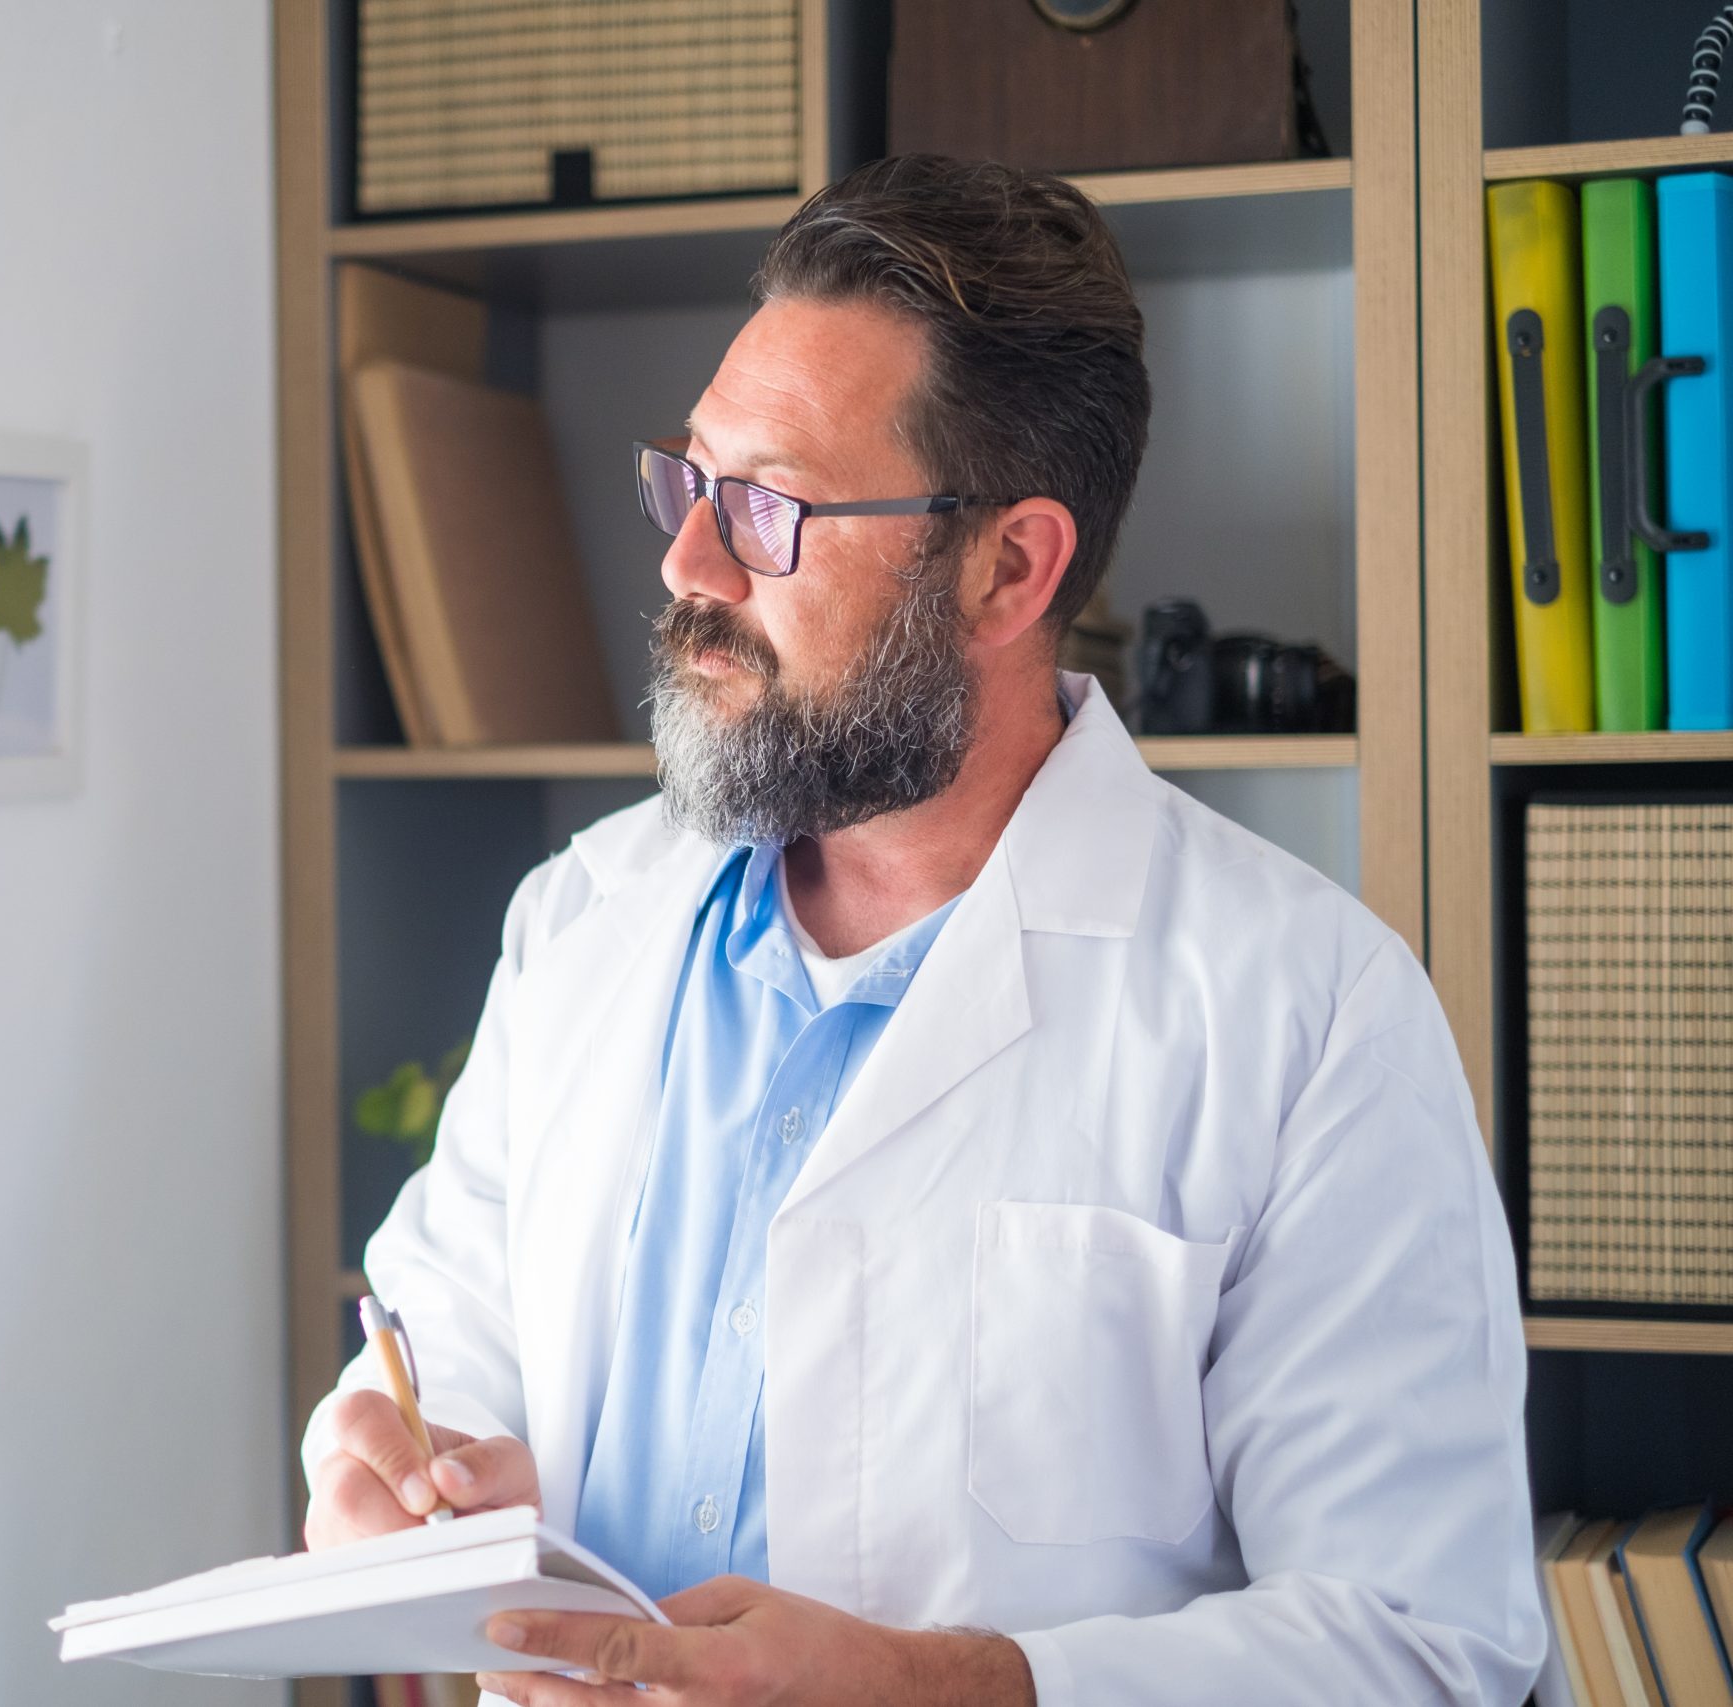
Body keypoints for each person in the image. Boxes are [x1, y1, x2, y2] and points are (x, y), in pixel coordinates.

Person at [300, 154, 1541, 1707]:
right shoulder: (583, 923)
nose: (687, 565)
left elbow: (1427, 1647)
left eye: (765, 509)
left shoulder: (1308, 1015)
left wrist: (944, 1688)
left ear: (1008, 567)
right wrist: (386, 1468)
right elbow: (436, 1348)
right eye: (690, 481)